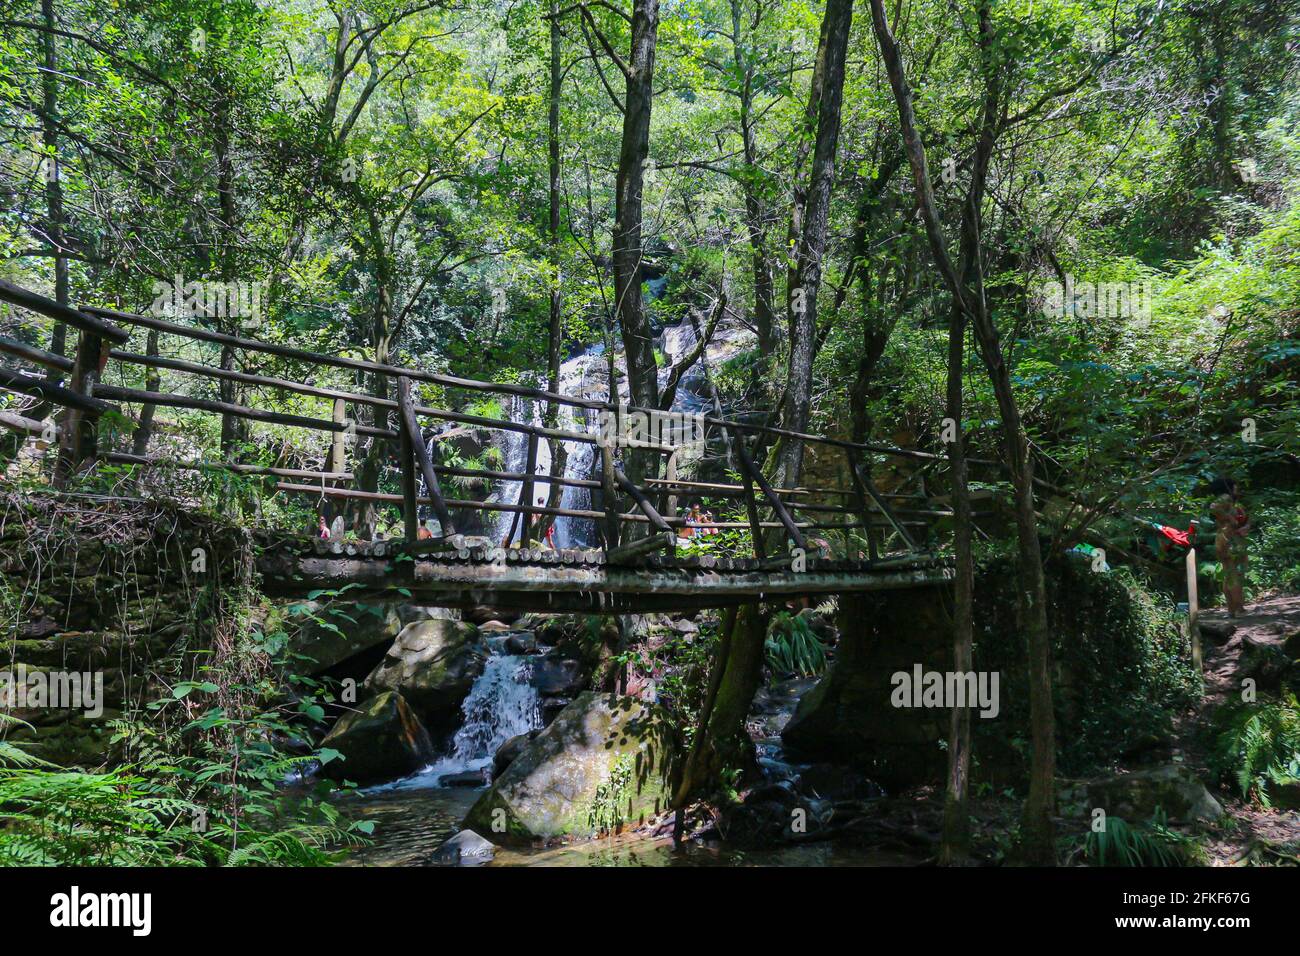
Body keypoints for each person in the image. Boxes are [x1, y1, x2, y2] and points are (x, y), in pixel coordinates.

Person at [1208, 476, 1249, 617]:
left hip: (1225, 538)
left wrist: (1244, 526)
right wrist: (1229, 518)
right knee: (1235, 575)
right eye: (1235, 486)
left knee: (1229, 575)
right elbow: (1213, 508)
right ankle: (1238, 609)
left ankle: (1232, 610)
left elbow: (1244, 521)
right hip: (1231, 540)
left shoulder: (1234, 504)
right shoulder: (1225, 497)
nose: (1237, 489)